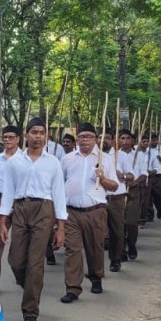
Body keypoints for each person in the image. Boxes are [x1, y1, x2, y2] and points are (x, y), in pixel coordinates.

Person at [0, 118, 67, 321]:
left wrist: (61, 226)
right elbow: (8, 191)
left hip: (43, 210)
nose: (38, 136)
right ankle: (30, 285)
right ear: (26, 136)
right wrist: (3, 221)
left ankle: (30, 312)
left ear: (46, 136)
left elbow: (59, 194)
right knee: (16, 260)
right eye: (34, 132)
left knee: (35, 263)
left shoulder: (53, 162)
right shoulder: (14, 162)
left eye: (42, 132)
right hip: (20, 209)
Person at [60, 122, 119, 303]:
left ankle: (96, 277)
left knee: (95, 248)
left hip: (95, 211)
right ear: (76, 139)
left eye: (88, 136)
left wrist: (102, 178)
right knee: (72, 250)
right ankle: (73, 288)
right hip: (71, 213)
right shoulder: (67, 159)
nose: (84, 140)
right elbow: (59, 185)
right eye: (81, 136)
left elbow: (114, 187)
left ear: (95, 139)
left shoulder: (105, 159)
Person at [0, 124, 22, 291]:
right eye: (5, 138)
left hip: (20, 204)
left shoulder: (25, 159)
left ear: (18, 139)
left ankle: (21, 273)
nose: (7, 140)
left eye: (11, 137)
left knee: (19, 241)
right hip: (0, 201)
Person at [107, 133, 132, 272]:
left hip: (116, 198)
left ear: (113, 141)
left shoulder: (121, 156)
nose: (102, 140)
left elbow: (131, 175)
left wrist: (121, 175)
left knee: (116, 231)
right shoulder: (91, 156)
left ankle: (115, 259)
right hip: (97, 200)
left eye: (106, 138)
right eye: (100, 137)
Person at [121, 131, 144, 260]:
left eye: (127, 138)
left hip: (133, 192)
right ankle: (122, 249)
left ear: (132, 141)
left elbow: (144, 174)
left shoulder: (139, 156)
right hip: (118, 192)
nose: (125, 141)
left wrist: (134, 182)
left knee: (131, 222)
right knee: (119, 223)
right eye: (122, 138)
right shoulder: (113, 155)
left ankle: (131, 244)